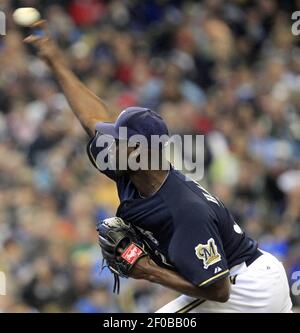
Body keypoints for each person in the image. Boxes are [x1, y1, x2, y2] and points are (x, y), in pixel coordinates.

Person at [24, 20, 293, 313]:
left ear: (139, 150)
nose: (110, 144)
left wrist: (148, 271)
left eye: (119, 140)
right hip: (251, 276)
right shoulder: (132, 170)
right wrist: (55, 62)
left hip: (248, 288)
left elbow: (219, 290)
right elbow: (92, 120)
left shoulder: (184, 209)